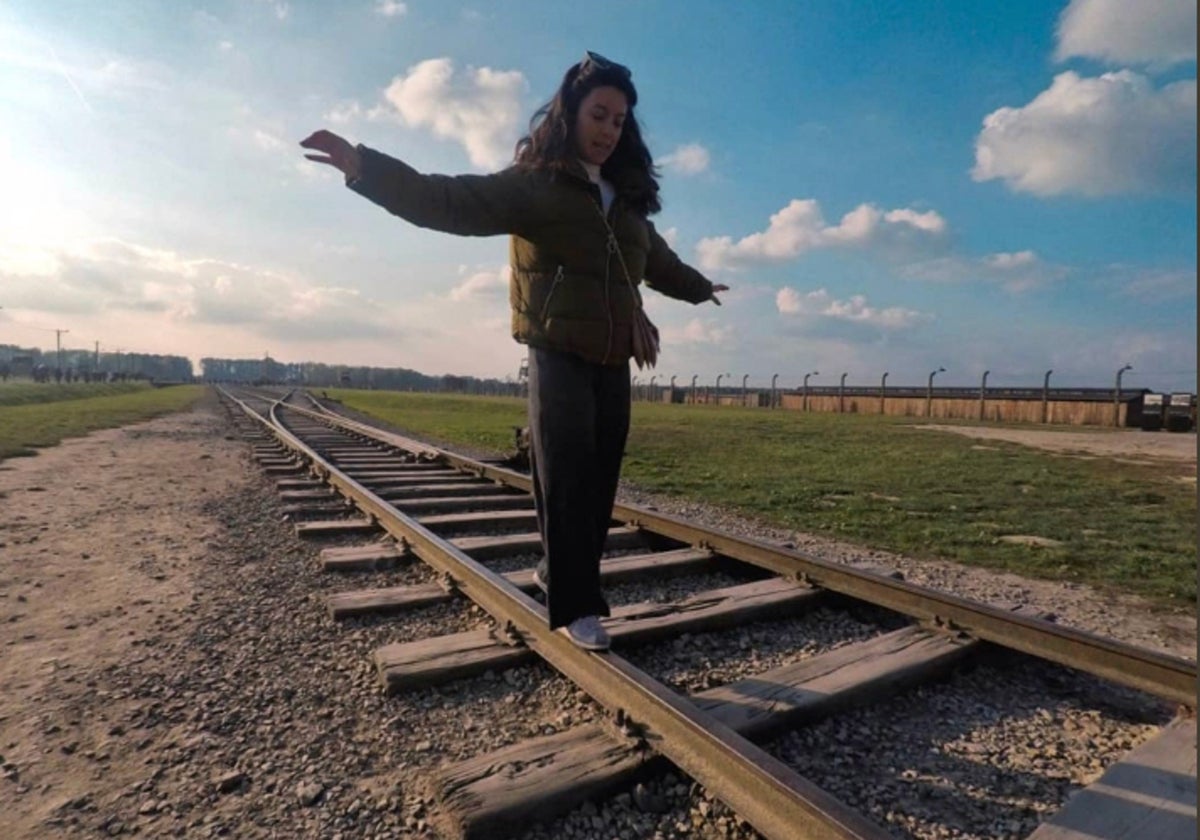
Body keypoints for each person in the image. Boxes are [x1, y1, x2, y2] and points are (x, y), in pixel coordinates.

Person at [301, 51, 728, 651]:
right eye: (599, 114)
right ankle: (577, 606)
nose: (608, 130)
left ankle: (560, 574)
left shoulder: (624, 199)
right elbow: (445, 200)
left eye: (619, 121)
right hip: (556, 350)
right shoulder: (535, 185)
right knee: (566, 472)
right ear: (570, 114)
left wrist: (699, 288)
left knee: (601, 478)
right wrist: (364, 168)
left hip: (612, 358)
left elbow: (655, 261)